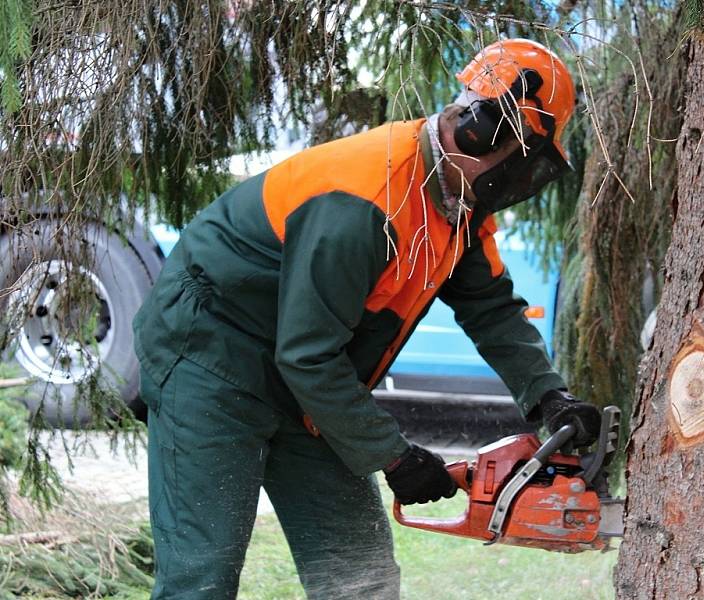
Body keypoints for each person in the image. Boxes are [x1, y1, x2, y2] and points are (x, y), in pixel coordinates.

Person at [133, 38, 602, 599]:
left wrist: (548, 396)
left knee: (362, 579)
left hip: (312, 384)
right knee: (201, 578)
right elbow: (307, 354)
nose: (524, 176)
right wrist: (395, 455)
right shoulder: (365, 200)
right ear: (486, 129)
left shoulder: (455, 204)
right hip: (210, 361)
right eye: (526, 156)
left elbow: (491, 308)